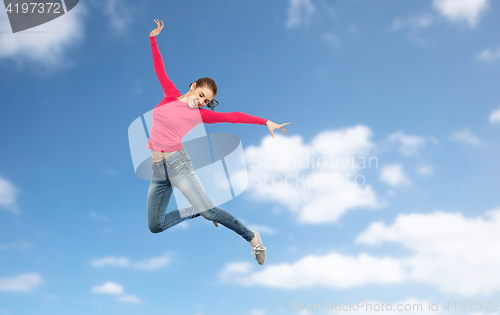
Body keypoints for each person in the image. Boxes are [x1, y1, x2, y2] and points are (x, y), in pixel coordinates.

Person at [146, 19, 290, 265]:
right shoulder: (169, 94)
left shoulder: (200, 115)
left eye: (206, 100)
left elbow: (233, 117)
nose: (202, 101)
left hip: (177, 163)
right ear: (193, 87)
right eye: (201, 95)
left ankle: (252, 238)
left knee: (211, 211)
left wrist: (265, 122)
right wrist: (153, 39)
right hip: (158, 169)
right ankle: (195, 210)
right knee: (155, 225)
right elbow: (160, 68)